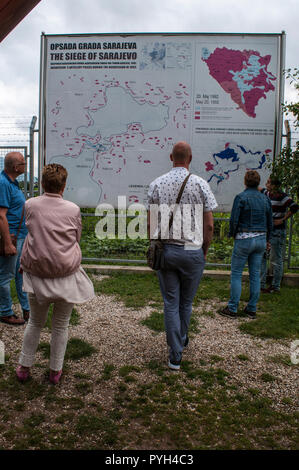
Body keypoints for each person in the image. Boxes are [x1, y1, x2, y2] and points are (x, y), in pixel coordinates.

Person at [16, 163, 94, 384]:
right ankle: (55, 371)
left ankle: (24, 366)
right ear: (64, 185)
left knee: (35, 323)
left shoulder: (30, 205)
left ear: (42, 183)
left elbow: (30, 230)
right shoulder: (73, 209)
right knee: (60, 325)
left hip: (36, 274)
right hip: (65, 274)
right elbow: (75, 238)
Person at [147, 141, 217, 370]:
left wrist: (156, 245)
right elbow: (209, 226)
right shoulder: (200, 184)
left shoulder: (156, 184)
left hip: (167, 250)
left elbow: (151, 223)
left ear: (171, 157)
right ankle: (181, 341)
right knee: (186, 303)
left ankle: (175, 354)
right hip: (192, 251)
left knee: (170, 303)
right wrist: (204, 249)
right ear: (190, 158)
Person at [220, 170, 273, 320]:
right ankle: (251, 309)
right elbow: (269, 221)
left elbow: (234, 219)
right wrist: (268, 239)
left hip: (244, 238)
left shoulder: (241, 197)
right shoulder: (265, 199)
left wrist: (232, 234)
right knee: (255, 274)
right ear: (258, 182)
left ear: (245, 181)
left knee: (236, 273)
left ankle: (232, 308)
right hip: (261, 238)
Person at [0, 152, 29, 326]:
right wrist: (7, 243)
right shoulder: (3, 184)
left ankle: (26, 308)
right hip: (11, 237)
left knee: (20, 274)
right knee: (5, 276)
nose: (25, 166)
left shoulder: (12, 182)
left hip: (19, 236)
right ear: (15, 167)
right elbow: (1, 216)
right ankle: (5, 312)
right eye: (23, 164)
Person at [260, 175, 298, 293]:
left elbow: (294, 207)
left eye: (269, 183)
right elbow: (258, 188)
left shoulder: (283, 197)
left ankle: (275, 286)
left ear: (275, 186)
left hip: (277, 230)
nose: (267, 184)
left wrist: (282, 219)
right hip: (267, 230)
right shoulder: (266, 194)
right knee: (262, 256)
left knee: (276, 259)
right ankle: (261, 283)